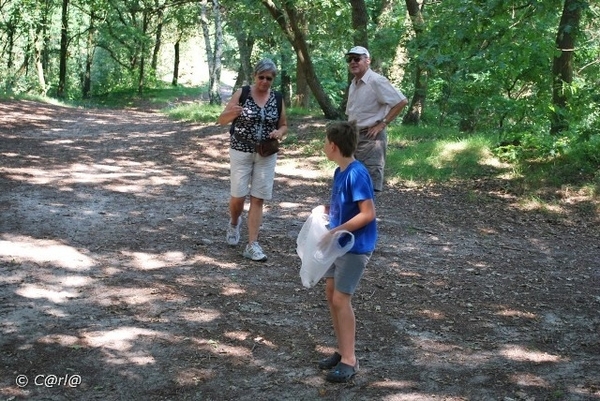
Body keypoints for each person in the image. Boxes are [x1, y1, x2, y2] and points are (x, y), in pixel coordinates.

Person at [314, 120, 377, 383]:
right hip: (338, 243)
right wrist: (326, 213)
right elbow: (342, 206)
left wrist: (335, 230)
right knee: (331, 294)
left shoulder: (356, 173)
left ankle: (350, 360)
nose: (324, 146)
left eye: (325, 141)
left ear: (334, 145)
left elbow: (368, 214)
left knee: (341, 299)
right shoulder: (340, 172)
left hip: (355, 246)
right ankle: (341, 351)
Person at [217, 59, 287, 261]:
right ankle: (234, 222)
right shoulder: (243, 93)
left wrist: (279, 133)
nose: (265, 82)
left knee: (258, 197)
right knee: (238, 195)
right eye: (261, 77)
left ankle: (252, 244)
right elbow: (221, 120)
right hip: (241, 149)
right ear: (255, 76)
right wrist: (232, 113)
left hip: (266, 152)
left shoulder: (278, 98)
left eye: (269, 78)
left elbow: (284, 125)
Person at [345, 46, 408, 192]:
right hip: (353, 137)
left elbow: (401, 102)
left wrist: (382, 124)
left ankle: (367, 214)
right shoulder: (354, 83)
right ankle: (355, 215)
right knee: (352, 183)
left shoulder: (376, 81)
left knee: (368, 185)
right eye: (350, 59)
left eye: (357, 59)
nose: (353, 62)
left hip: (371, 139)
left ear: (368, 61)